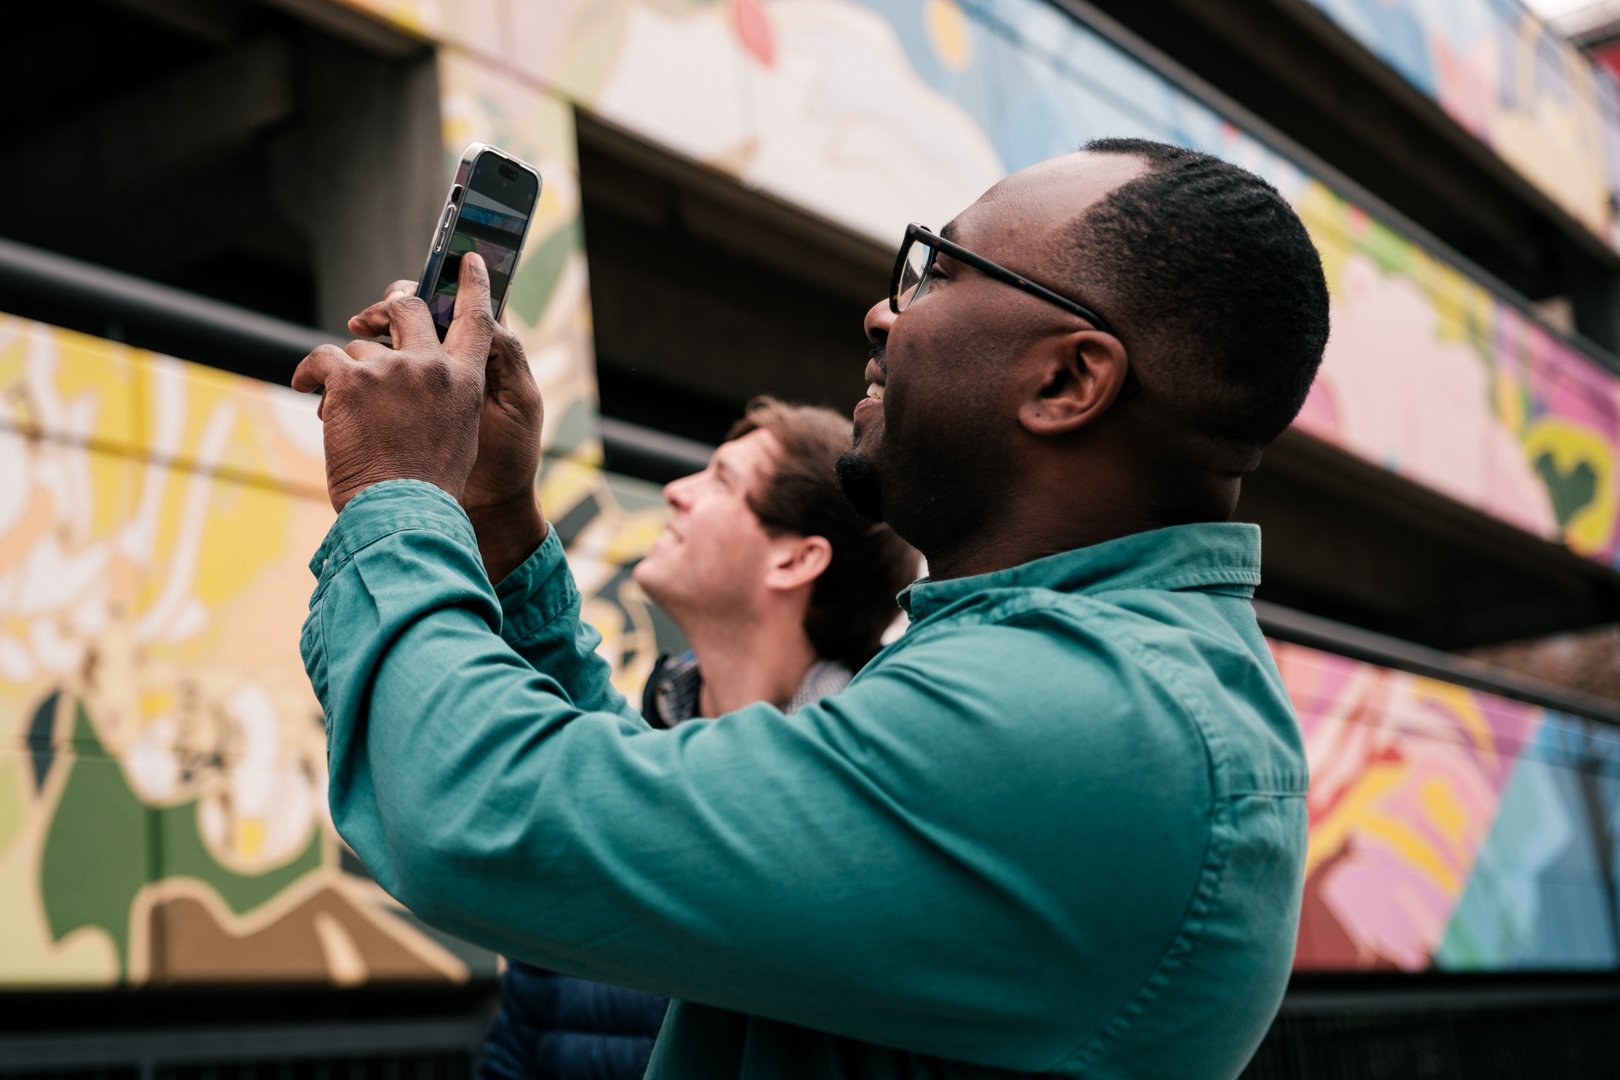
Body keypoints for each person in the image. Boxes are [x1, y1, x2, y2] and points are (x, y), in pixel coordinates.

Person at [292, 137, 1330, 1079]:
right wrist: (502, 521)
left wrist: (399, 494)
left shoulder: (1088, 716)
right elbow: (640, 820)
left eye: (940, 269)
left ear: (1067, 379)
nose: (884, 311)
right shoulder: (1087, 683)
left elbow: (478, 820)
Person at [478, 398, 917, 1080]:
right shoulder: (623, 758)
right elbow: (519, 1040)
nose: (676, 492)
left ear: (796, 559)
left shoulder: (862, 810)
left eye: (721, 481)